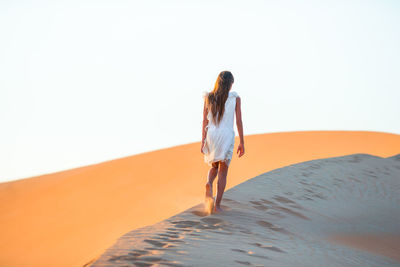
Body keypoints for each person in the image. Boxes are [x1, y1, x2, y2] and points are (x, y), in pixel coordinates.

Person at [201, 70, 245, 213]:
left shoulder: (209, 97)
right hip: (226, 136)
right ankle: (217, 206)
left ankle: (209, 182)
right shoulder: (235, 98)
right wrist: (242, 142)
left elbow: (204, 120)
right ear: (230, 84)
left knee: (214, 166)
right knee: (223, 172)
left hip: (212, 135)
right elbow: (238, 121)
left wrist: (203, 140)